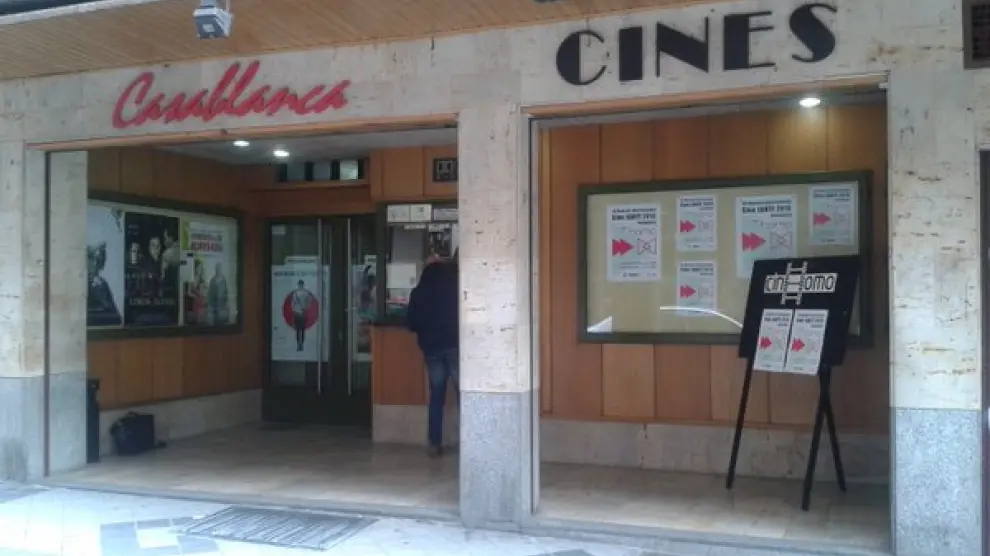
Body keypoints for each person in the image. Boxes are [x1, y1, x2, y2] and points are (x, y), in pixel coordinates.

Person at [406, 250, 459, 457]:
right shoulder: (455, 285)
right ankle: (471, 441)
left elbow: (411, 323)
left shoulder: (419, 291)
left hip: (431, 348)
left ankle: (434, 442)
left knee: (437, 394)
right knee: (464, 394)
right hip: (454, 344)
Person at [290, 279, 316, 351]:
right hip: (304, 313)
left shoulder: (295, 294)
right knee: (303, 329)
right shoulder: (306, 294)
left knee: (298, 330)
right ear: (303, 284)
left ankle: (298, 344)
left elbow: (292, 305)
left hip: (297, 313)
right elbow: (309, 303)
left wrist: (295, 309)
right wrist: (305, 308)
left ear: (298, 285)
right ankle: (302, 345)